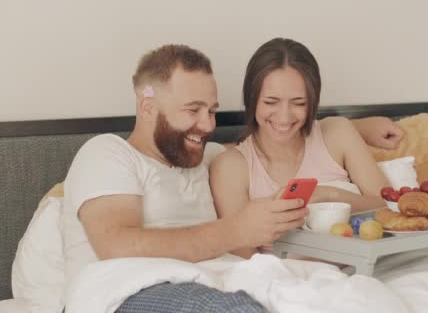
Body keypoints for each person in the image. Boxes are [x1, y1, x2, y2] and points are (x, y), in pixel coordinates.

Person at [61, 44, 403, 312]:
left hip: (210, 281)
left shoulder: (204, 156)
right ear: (147, 107)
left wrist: (360, 127)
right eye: (193, 110)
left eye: (211, 111)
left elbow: (275, 138)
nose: (208, 125)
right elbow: (117, 245)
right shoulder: (107, 153)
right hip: (126, 290)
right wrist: (237, 230)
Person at [210, 38, 391, 259]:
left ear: (312, 102)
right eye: (270, 102)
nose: (284, 117)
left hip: (365, 268)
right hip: (286, 285)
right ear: (252, 99)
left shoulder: (338, 133)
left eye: (298, 103)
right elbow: (245, 259)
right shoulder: (230, 167)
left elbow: (387, 208)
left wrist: (328, 195)